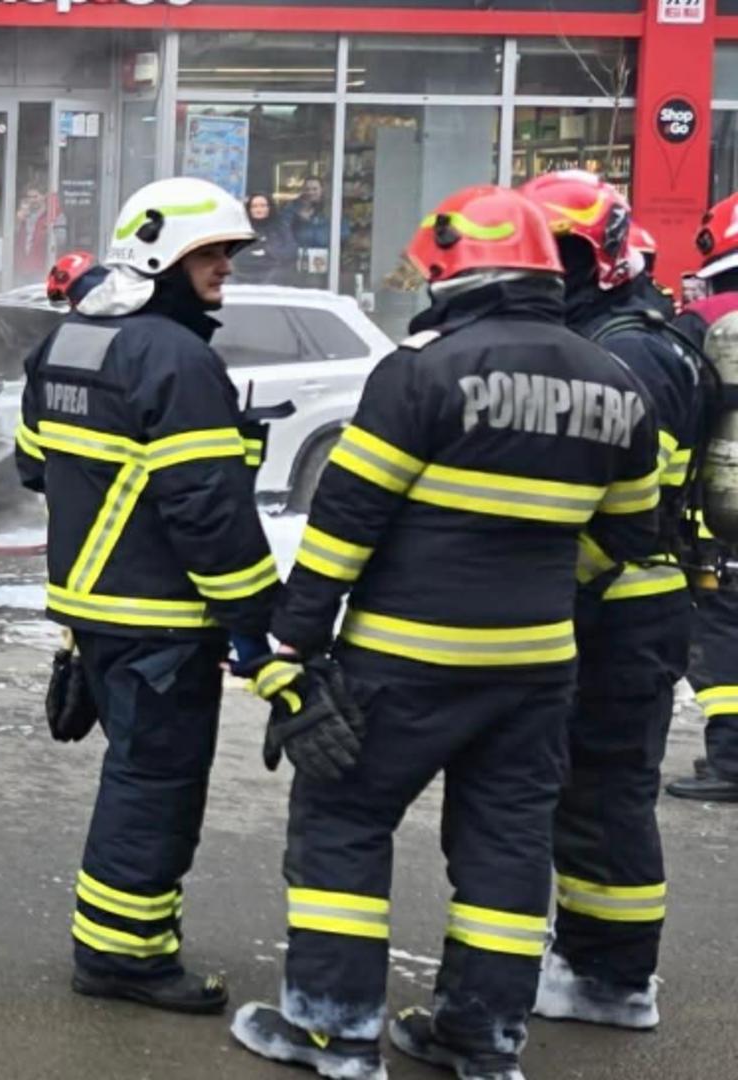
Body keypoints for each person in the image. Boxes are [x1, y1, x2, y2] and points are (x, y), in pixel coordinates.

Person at [230, 186, 661, 1080]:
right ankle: (482, 1039)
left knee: (343, 820)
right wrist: (540, 591)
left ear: (459, 273)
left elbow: (347, 518)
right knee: (506, 845)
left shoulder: (421, 373)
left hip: (404, 658)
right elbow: (626, 532)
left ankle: (334, 1030)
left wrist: (293, 642)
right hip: (537, 669)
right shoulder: (616, 384)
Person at [16, 177, 278, 1014]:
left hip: (94, 607)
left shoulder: (67, 343)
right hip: (162, 614)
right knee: (157, 781)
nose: (225, 269)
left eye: (228, 254)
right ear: (165, 256)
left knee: (137, 775)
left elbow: (33, 463)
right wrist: (256, 622)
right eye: (212, 254)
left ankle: (120, 942)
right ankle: (124, 955)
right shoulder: (176, 358)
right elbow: (208, 510)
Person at [520, 172, 693, 1030]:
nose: (547, 271)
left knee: (605, 793)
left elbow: (628, 507)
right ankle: (595, 959)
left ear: (609, 258)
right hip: (611, 604)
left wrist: (536, 582)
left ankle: (611, 979)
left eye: (565, 255)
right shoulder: (606, 337)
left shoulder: (632, 354)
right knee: (585, 789)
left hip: (624, 607)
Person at [667, 190, 738, 803]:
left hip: (722, 514)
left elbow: (676, 408)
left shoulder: (706, 317)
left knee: (720, 634)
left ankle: (732, 760)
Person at [238, 194, 300, 285]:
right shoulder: (242, 229)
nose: (259, 210)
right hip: (242, 281)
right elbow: (236, 256)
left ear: (270, 208)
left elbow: (290, 251)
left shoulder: (280, 228)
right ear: (249, 209)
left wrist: (267, 251)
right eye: (254, 206)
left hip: (274, 281)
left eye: (263, 206)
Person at [287, 177, 333, 252]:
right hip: (300, 253)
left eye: (315, 189)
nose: (310, 192)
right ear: (302, 190)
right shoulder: (293, 207)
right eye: (307, 189)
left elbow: (343, 232)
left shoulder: (330, 207)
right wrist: (296, 218)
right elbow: (282, 227)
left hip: (326, 254)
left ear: (322, 190)